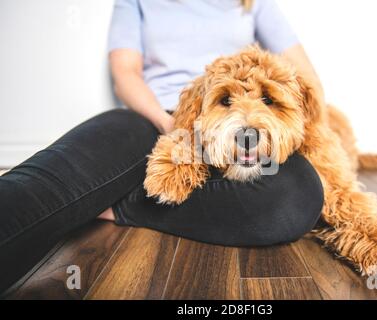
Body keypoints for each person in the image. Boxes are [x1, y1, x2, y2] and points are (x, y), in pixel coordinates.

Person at [0, 0, 324, 294]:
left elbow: (306, 77)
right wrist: (173, 128)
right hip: (154, 117)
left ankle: (115, 204)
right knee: (49, 180)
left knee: (300, 190)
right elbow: (125, 73)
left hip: (241, 129)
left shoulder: (254, 4)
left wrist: (279, 126)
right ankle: (101, 193)